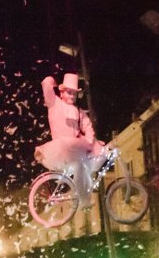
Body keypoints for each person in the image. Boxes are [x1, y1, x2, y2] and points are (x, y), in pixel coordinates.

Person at [35, 73, 106, 209]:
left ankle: (82, 193)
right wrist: (51, 81)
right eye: (69, 92)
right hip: (61, 148)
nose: (72, 96)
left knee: (85, 165)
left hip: (74, 149)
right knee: (79, 165)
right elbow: (46, 86)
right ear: (61, 92)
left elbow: (88, 126)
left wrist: (90, 141)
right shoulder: (55, 103)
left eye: (74, 93)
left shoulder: (79, 112)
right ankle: (83, 200)